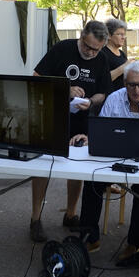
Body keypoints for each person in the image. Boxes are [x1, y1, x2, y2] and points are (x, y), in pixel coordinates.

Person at [71, 62, 139, 260]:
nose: (137, 90)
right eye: (131, 85)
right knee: (92, 180)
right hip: (113, 156)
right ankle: (89, 236)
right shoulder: (114, 98)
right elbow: (102, 130)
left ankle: (135, 242)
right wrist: (89, 138)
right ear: (125, 83)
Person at [29, 21, 111, 244]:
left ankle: (70, 214)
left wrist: (90, 101)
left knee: (77, 169)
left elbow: (103, 93)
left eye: (96, 49)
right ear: (82, 36)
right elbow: (36, 78)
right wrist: (65, 88)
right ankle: (35, 219)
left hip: (82, 121)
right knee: (43, 166)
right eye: (88, 47)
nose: (91, 53)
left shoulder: (102, 59)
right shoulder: (61, 49)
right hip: (52, 116)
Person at [103, 18, 133, 92]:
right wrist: (124, 67)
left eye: (124, 35)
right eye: (120, 34)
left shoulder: (122, 54)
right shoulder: (102, 53)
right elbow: (102, 79)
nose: (123, 38)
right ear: (109, 36)